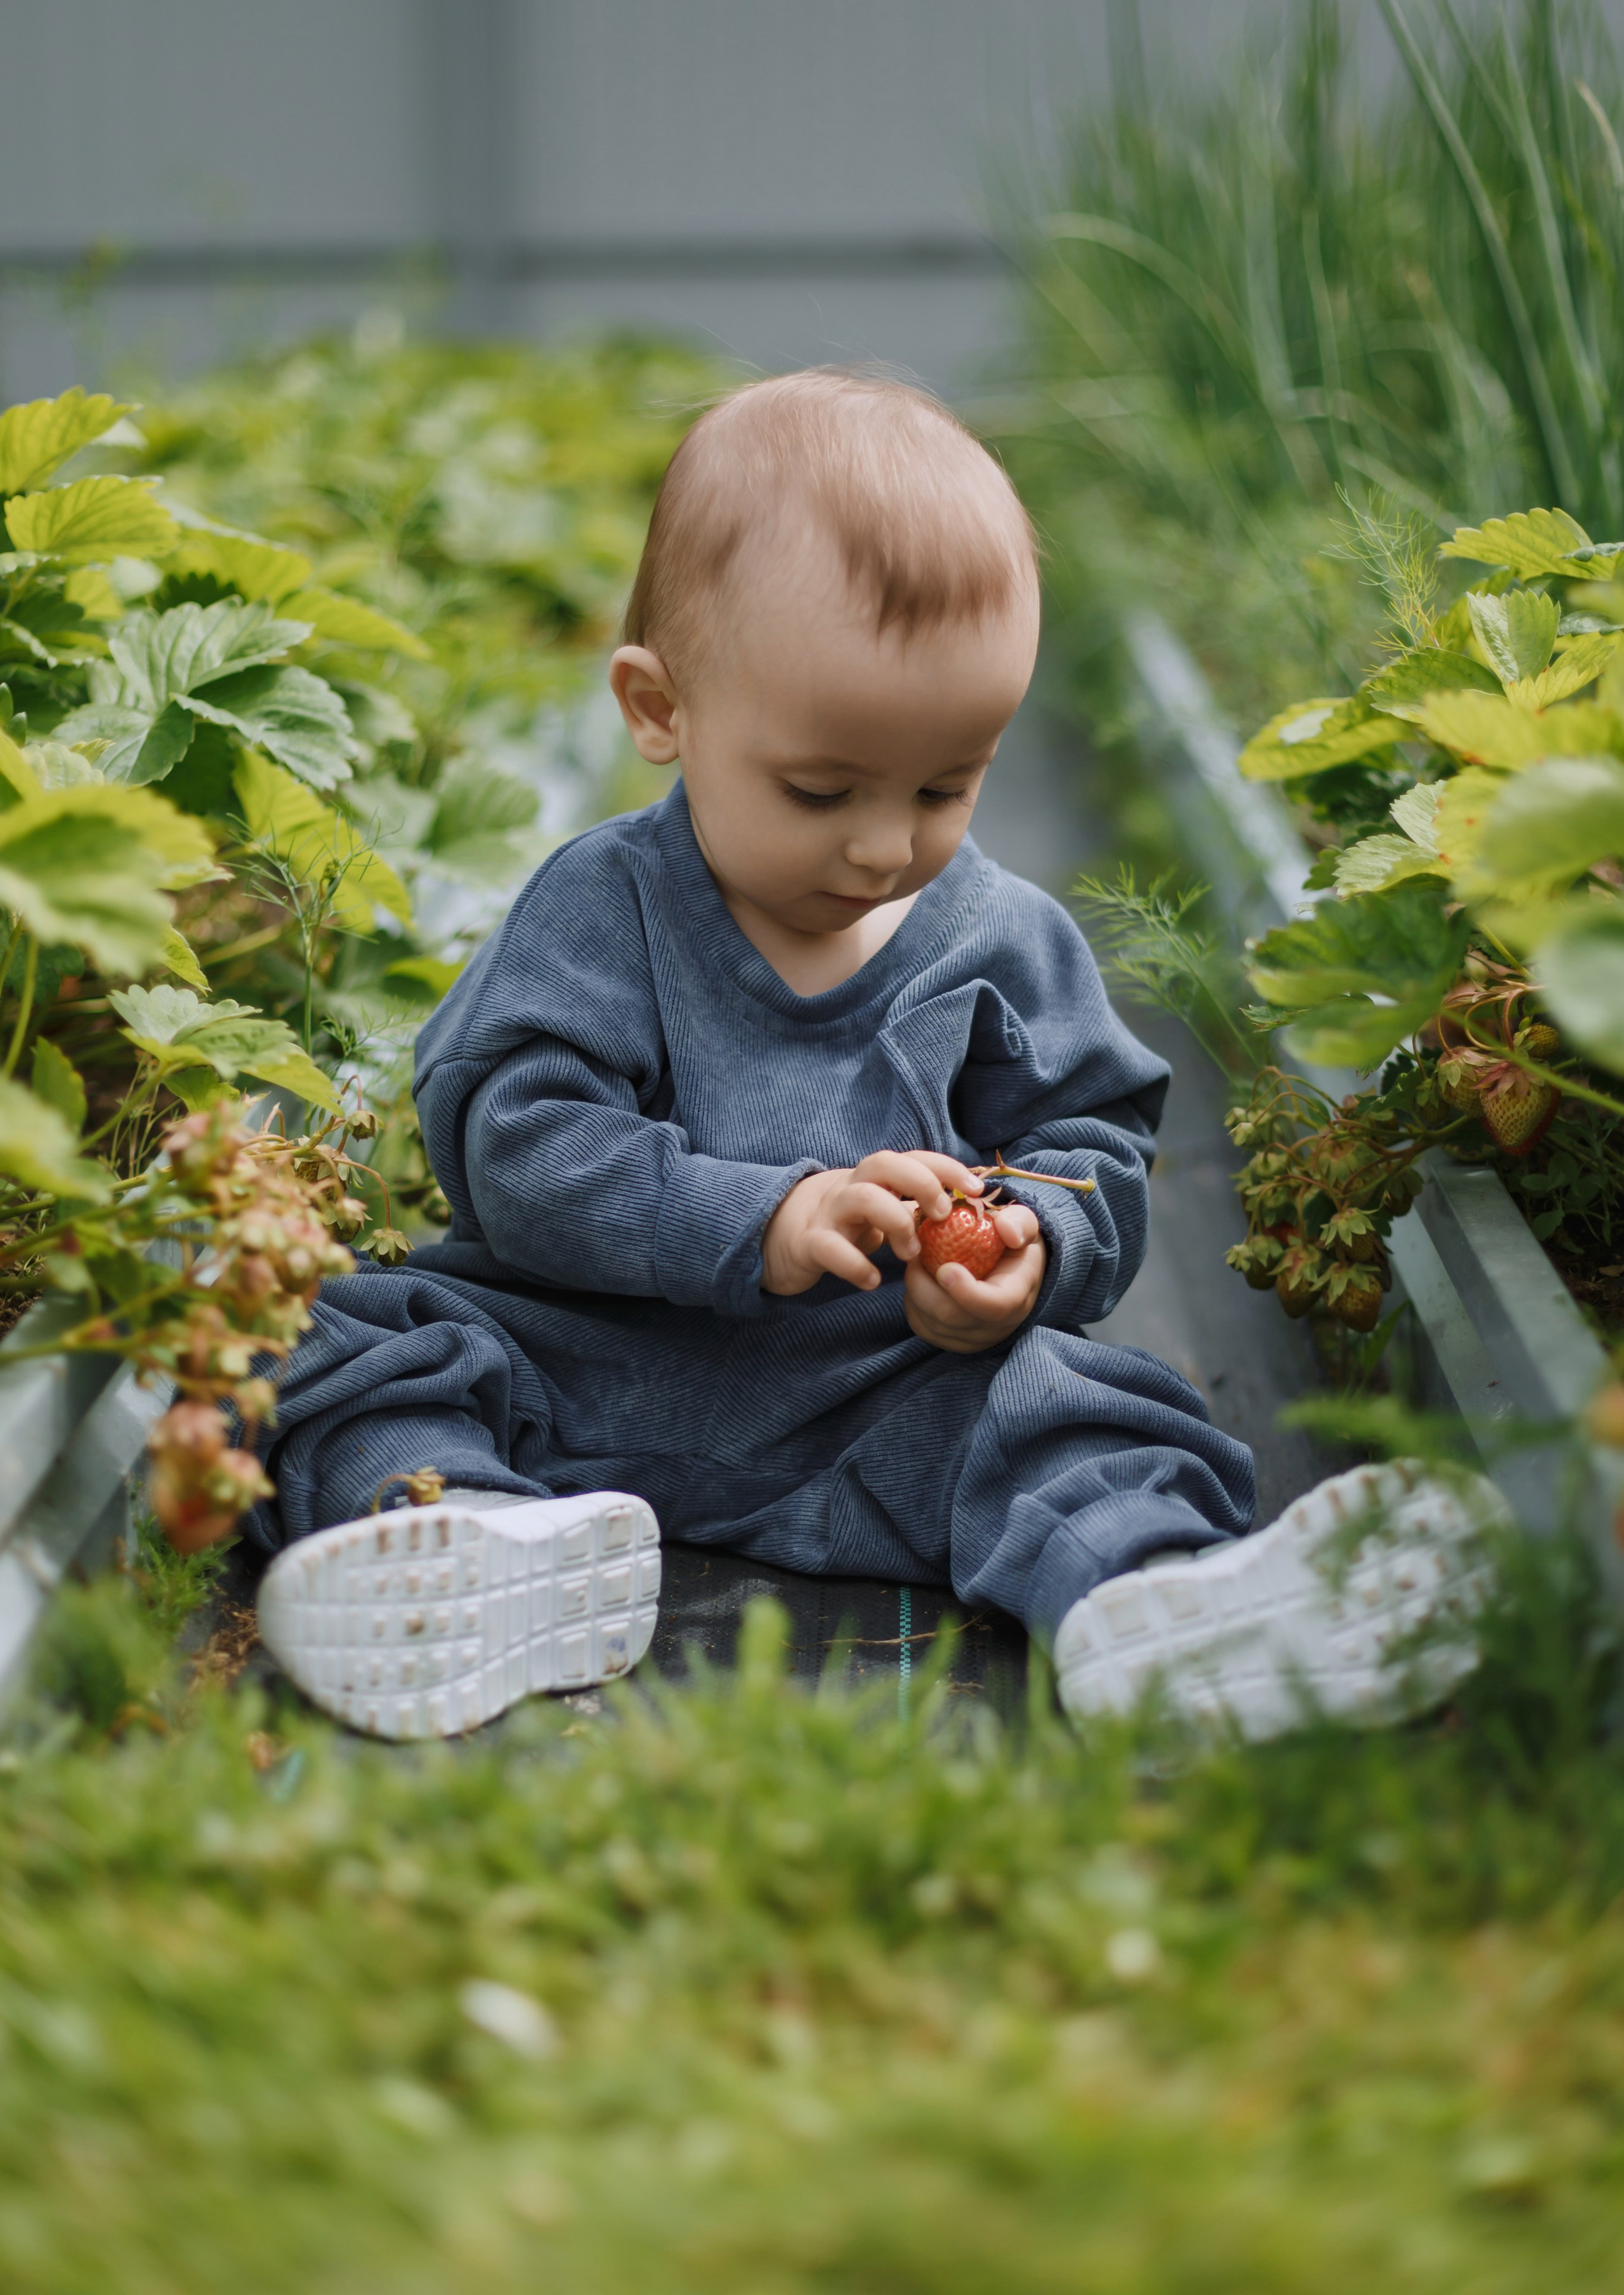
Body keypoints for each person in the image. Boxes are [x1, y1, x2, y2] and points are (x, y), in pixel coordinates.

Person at [252, 370, 1491, 1743]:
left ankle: (1147, 1609)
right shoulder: (600, 909)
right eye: (820, 789)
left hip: (877, 1391)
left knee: (1084, 1410)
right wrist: (763, 1216)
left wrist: (1025, 1238)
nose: (881, 845)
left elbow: (1094, 1144)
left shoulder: (1001, 944)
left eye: (944, 786)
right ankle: (460, 1539)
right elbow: (513, 1144)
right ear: (659, 710)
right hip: (582, 1359)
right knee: (349, 1339)